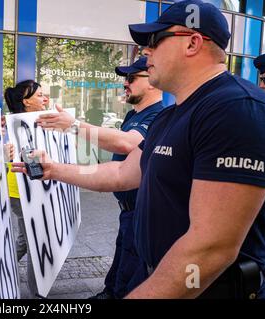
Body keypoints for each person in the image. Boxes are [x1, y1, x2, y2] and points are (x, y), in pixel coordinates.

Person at [14, 0, 265, 298]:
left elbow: (210, 249)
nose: (145, 51)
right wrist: (53, 169)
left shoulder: (236, 109)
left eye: (155, 41)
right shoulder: (171, 116)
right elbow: (123, 172)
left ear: (193, 43)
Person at [36, 56, 163, 299]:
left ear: (153, 82)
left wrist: (73, 126)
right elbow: (117, 168)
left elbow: (127, 145)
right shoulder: (133, 116)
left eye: (131, 78)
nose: (125, 84)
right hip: (128, 209)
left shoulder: (158, 116)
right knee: (119, 268)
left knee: (130, 276)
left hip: (142, 211)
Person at [4, 80, 49, 298]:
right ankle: (37, 294)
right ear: (26, 102)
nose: (44, 98)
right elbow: (29, 159)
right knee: (33, 239)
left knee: (24, 238)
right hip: (20, 192)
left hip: (29, 190)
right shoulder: (17, 125)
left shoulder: (34, 123)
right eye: (40, 95)